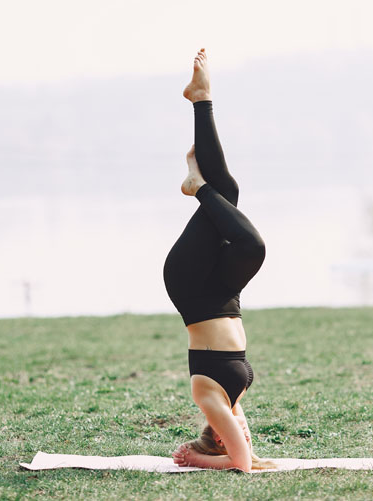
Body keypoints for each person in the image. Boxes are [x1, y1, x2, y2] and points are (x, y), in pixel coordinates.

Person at [163, 49, 274, 472]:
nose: (244, 432)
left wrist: (199, 459)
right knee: (238, 215)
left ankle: (199, 184)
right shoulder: (233, 394)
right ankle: (201, 100)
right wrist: (250, 454)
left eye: (233, 434)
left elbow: (241, 464)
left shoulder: (209, 398)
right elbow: (253, 458)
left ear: (218, 436)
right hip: (224, 294)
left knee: (231, 209)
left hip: (190, 287)